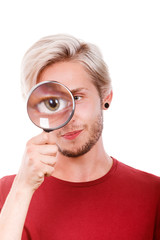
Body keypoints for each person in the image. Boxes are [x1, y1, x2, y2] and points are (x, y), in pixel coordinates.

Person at [0, 34, 159, 240]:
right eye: (52, 103)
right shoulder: (9, 193)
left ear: (106, 97)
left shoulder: (153, 194)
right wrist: (22, 189)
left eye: (76, 97)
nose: (68, 117)